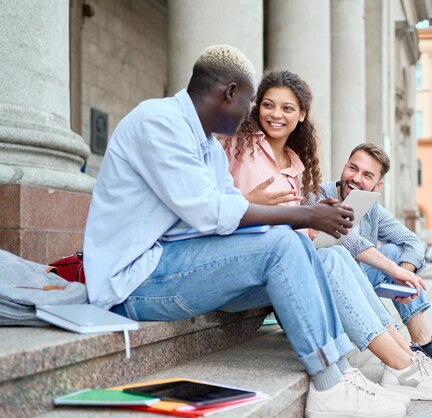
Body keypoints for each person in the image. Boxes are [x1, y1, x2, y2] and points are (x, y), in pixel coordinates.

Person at [84, 46, 408, 418]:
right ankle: (329, 385)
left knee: (307, 249)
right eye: (254, 101)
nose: (251, 113)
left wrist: (304, 219)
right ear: (231, 92)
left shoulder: (208, 146)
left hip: (179, 265)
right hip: (136, 280)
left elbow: (224, 211)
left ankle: (343, 372)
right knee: (284, 244)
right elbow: (210, 212)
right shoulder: (158, 122)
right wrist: (302, 216)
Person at [222, 70, 432, 401]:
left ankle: (405, 358)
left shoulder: (295, 166)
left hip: (283, 266)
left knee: (340, 254)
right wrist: (246, 203)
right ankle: (401, 364)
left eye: (288, 108)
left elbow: (336, 234)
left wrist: (398, 270)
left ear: (302, 114)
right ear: (256, 106)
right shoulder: (237, 146)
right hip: (245, 266)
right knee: (333, 257)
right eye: (269, 105)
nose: (276, 115)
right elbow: (210, 203)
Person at [310, 143, 432, 371]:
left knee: (397, 252)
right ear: (344, 167)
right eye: (353, 168)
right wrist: (392, 270)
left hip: (358, 284)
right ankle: (402, 357)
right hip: (322, 290)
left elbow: (413, 242)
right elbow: (347, 239)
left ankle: (423, 342)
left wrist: (404, 274)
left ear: (377, 184)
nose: (356, 178)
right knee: (355, 255)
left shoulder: (369, 207)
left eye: (367, 175)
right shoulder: (318, 195)